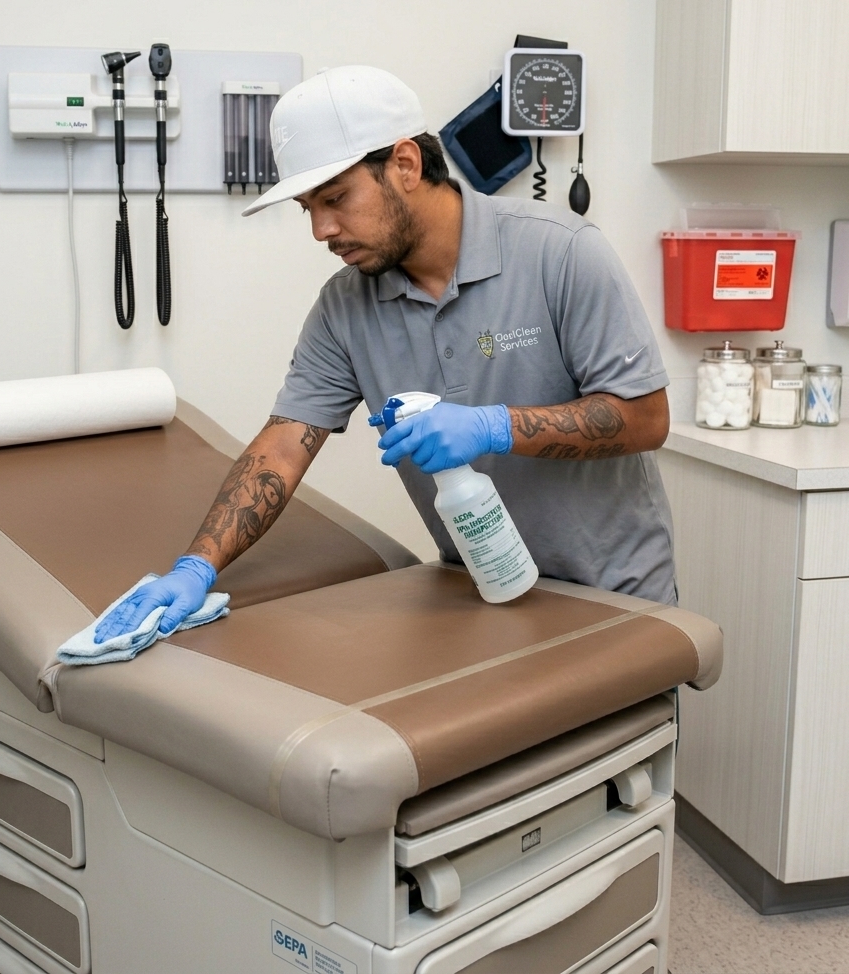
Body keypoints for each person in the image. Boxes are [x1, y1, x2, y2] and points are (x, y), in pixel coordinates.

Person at [95, 65, 675, 643]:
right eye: (308, 209)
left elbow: (647, 419)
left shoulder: (563, 252)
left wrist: (496, 426)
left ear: (405, 164)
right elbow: (282, 446)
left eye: (336, 198)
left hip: (614, 597)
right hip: (480, 593)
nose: (322, 229)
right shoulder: (345, 307)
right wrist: (197, 566)